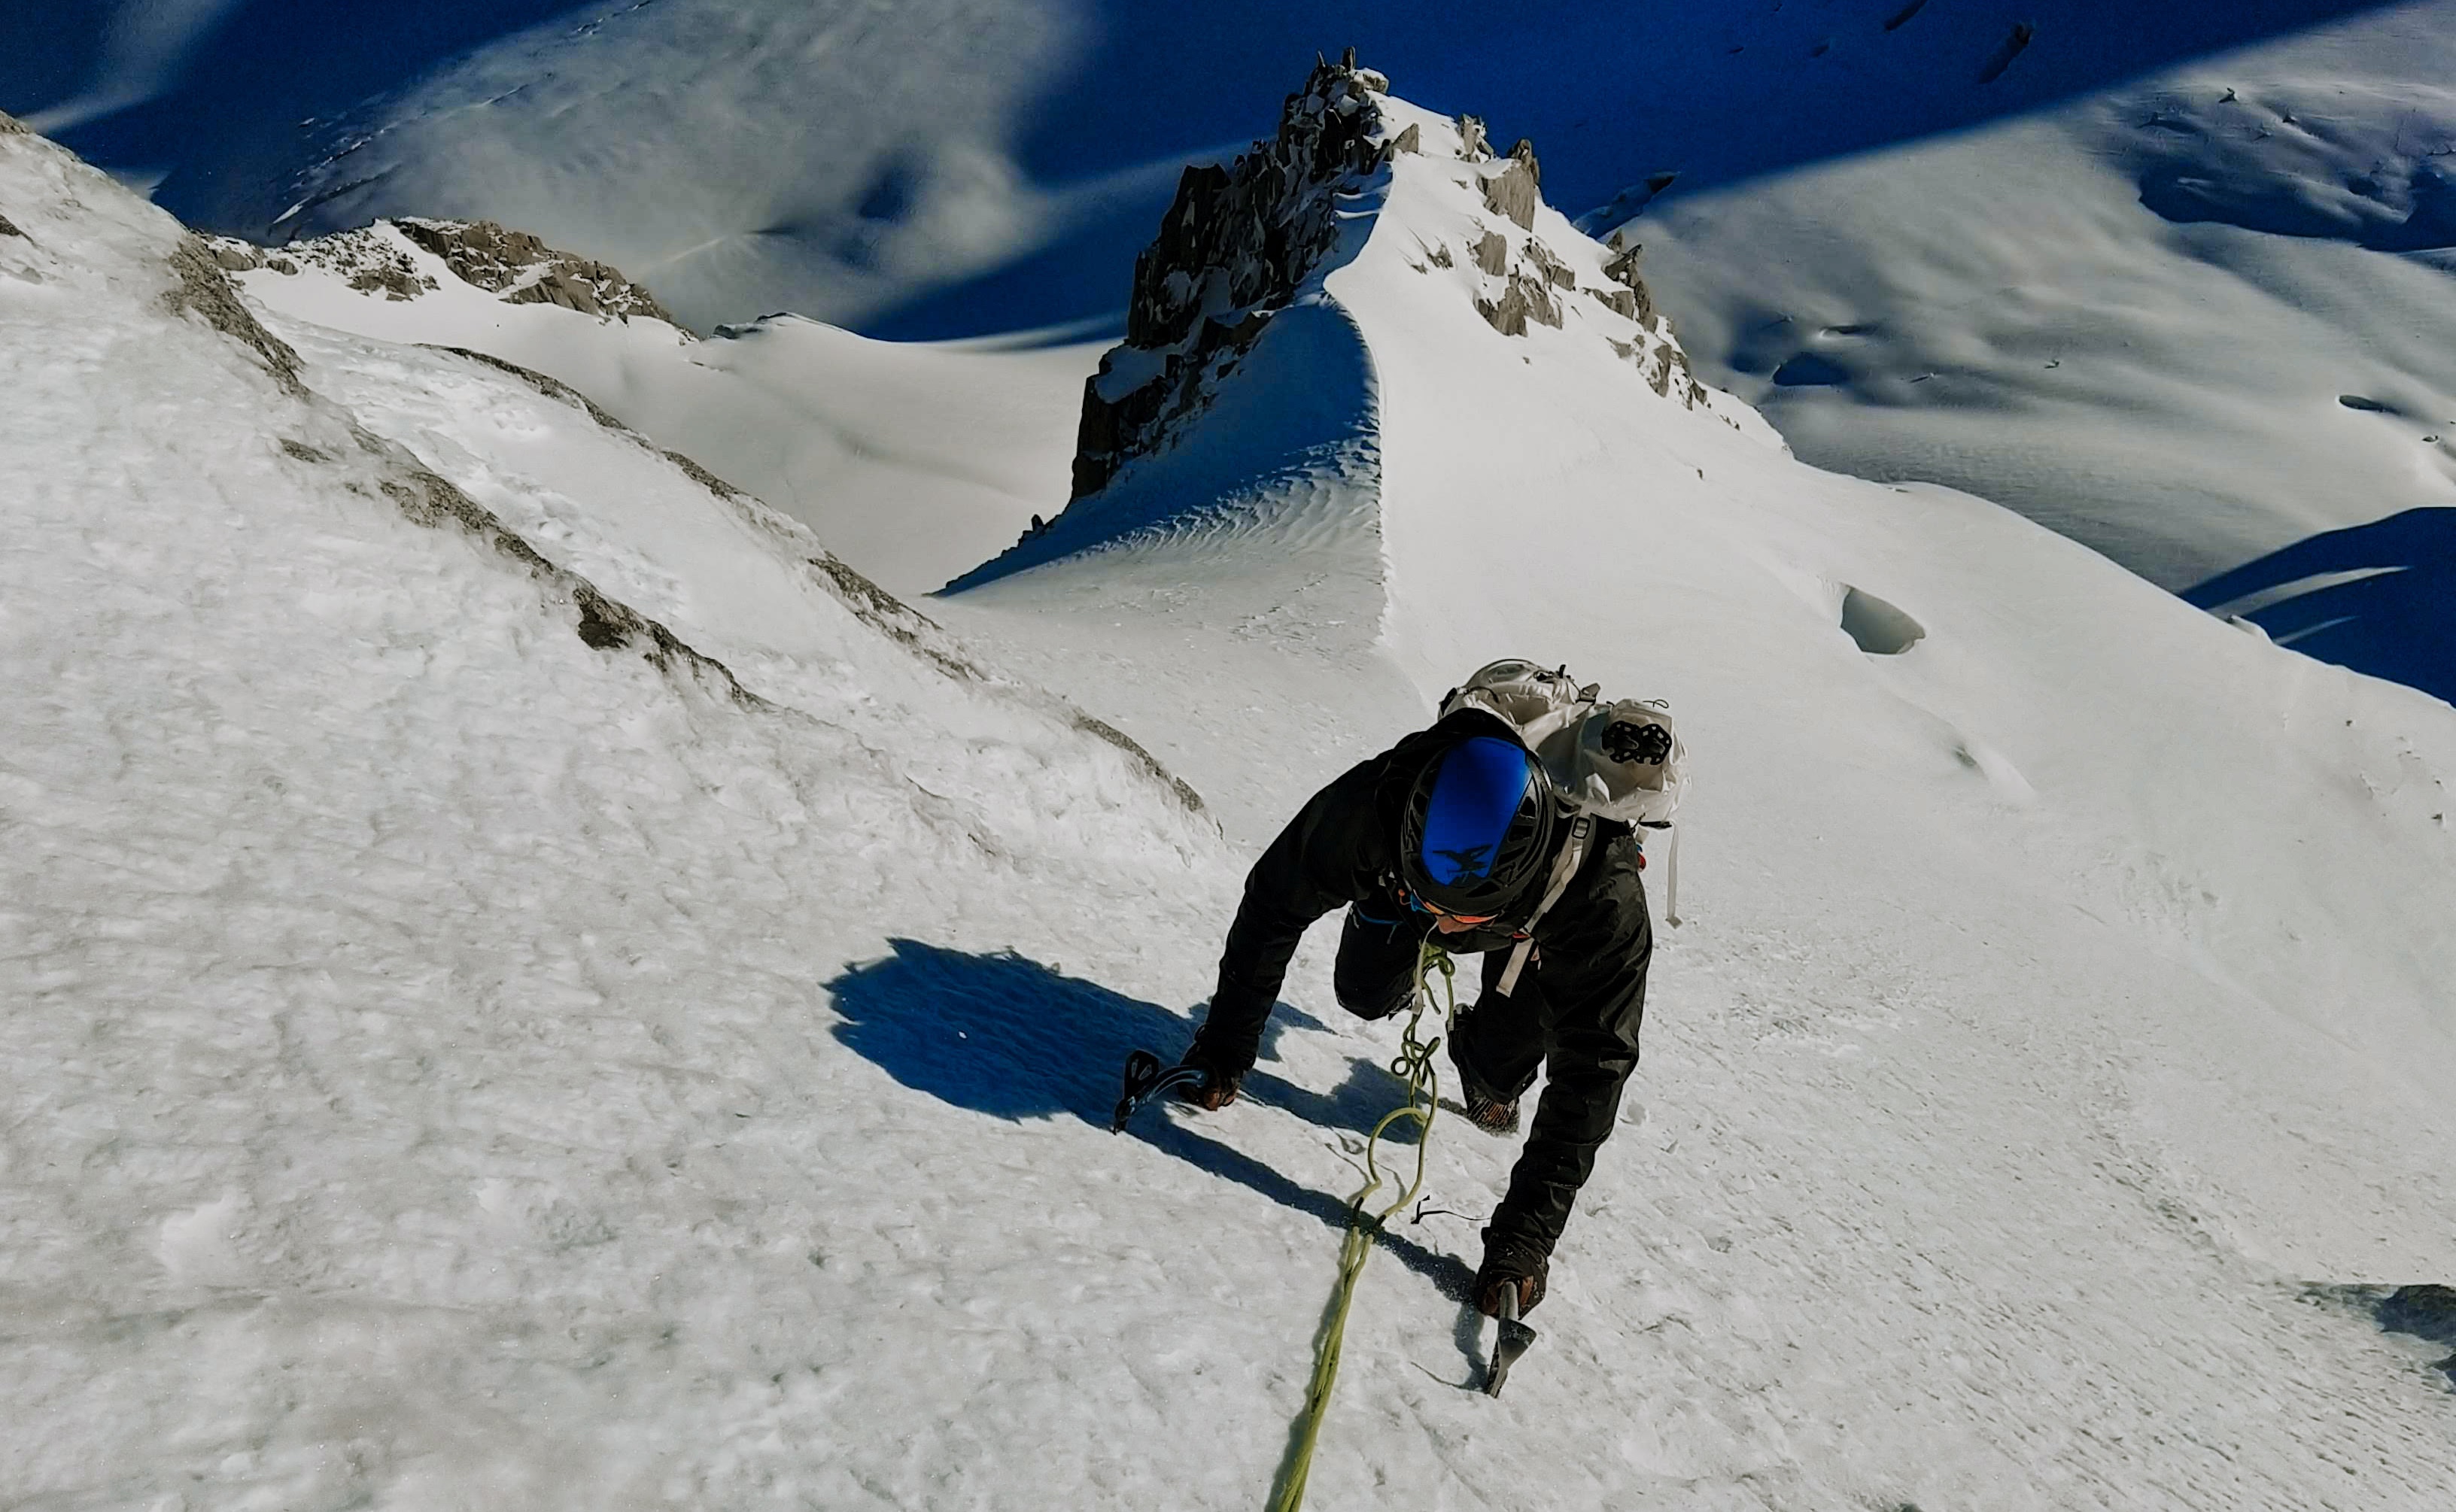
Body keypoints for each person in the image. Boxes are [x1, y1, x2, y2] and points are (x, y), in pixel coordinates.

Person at [1174, 700, 1654, 1322]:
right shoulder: (1376, 804)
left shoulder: (1599, 896)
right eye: (1431, 905)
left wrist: (1524, 1240)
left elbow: (1596, 1066)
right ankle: (1398, 914)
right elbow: (1275, 900)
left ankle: (1483, 1040)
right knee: (1362, 993)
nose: (1441, 923)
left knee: (1498, 1079)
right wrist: (1224, 1048)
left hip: (1536, 939)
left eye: (1458, 916)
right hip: (1401, 884)